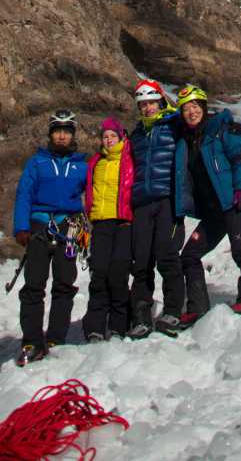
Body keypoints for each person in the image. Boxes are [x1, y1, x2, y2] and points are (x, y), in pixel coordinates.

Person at [175, 85, 241, 325]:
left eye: (195, 106)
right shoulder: (186, 139)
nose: (191, 112)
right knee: (190, 255)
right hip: (212, 211)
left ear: (203, 107)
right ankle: (198, 307)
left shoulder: (222, 130)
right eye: (186, 108)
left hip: (233, 201)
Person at [12, 109, 87, 365]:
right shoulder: (37, 162)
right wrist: (21, 227)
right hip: (40, 225)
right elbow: (24, 193)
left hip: (71, 225)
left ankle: (56, 337)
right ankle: (31, 339)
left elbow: (97, 193)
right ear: (51, 134)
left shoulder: (82, 164)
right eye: (58, 131)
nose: (62, 136)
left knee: (65, 284)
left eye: (67, 131)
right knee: (34, 284)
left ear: (73, 134)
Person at [127, 78, 185, 339]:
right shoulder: (138, 134)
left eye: (151, 102)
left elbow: (199, 124)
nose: (148, 108)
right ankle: (141, 315)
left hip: (167, 199)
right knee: (141, 261)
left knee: (167, 255)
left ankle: (173, 310)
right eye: (143, 104)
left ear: (161, 100)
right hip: (142, 201)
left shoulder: (174, 124)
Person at [82, 116, 134, 342]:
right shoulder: (96, 162)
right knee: (99, 273)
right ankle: (94, 326)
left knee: (118, 274)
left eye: (113, 135)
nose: (109, 140)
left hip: (123, 222)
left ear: (121, 136)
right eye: (105, 136)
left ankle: (118, 325)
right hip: (101, 222)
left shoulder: (130, 158)